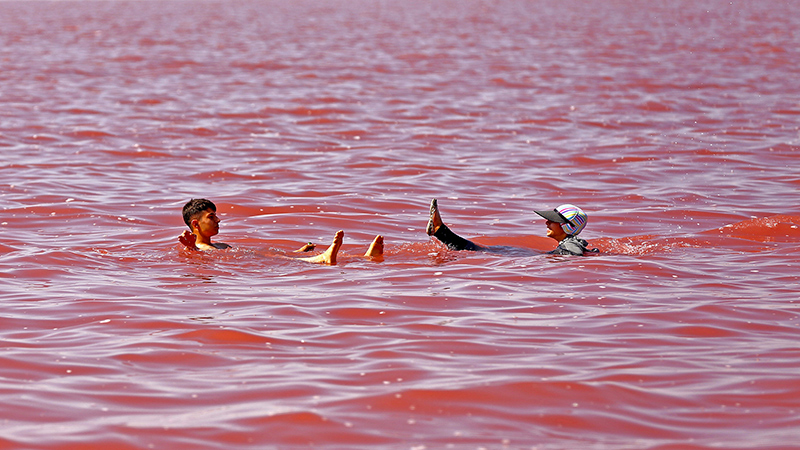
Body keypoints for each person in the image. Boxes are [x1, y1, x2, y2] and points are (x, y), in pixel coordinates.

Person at [179, 198, 383, 264]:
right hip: (252, 268)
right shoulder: (198, 248)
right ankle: (322, 259)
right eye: (211, 217)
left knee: (274, 254)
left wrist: (297, 251)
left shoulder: (221, 246)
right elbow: (197, 261)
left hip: (254, 259)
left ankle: (363, 259)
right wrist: (191, 249)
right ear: (196, 224)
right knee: (274, 259)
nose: (218, 220)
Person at [426, 198, 596, 256]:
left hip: (531, 258)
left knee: (480, 250)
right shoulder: (569, 243)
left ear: (567, 227)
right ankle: (440, 230)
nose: (546, 223)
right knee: (484, 249)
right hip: (531, 256)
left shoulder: (572, 244)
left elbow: (574, 253)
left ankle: (440, 230)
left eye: (552, 220)